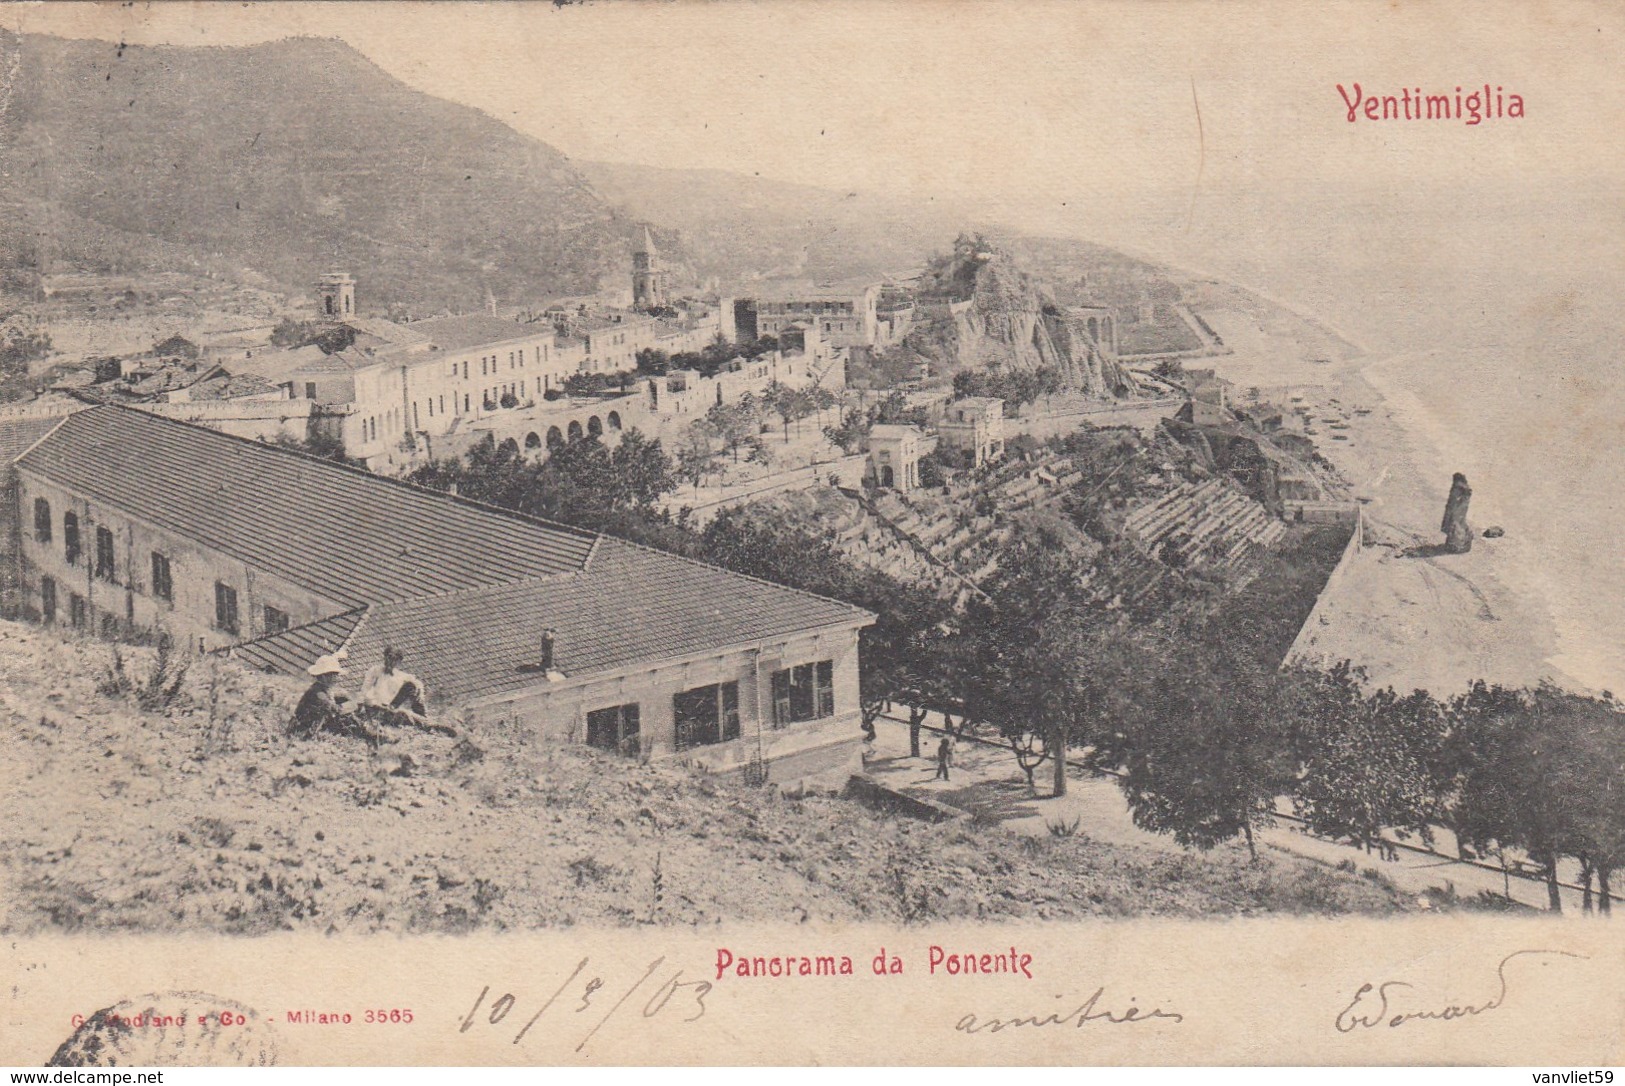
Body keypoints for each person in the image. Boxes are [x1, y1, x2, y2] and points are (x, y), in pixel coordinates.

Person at [358, 646, 456, 737]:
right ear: (385, 657)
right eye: (388, 657)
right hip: (376, 708)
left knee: (411, 686)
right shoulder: (375, 671)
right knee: (404, 713)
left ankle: (425, 719)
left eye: (394, 659)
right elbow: (365, 690)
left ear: (399, 662)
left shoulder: (400, 675)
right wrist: (369, 703)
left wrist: (418, 688)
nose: (390, 661)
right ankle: (427, 724)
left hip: (391, 707)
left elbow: (416, 682)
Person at [289, 654, 386, 746]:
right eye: (333, 675)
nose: (336, 678)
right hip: (304, 728)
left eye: (336, 675)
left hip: (314, 720)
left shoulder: (322, 688)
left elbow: (333, 698)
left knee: (345, 702)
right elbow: (335, 710)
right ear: (323, 676)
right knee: (348, 717)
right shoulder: (319, 694)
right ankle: (371, 734)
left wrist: (347, 698)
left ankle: (368, 729)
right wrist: (353, 704)